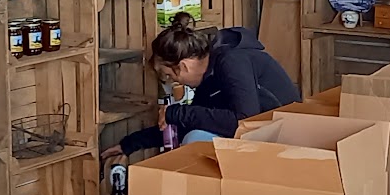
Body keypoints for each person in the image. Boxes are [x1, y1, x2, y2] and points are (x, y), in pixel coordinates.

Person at [104, 13, 302, 160]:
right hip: (263, 134)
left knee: (195, 140)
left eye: (170, 75)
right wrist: (130, 144)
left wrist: (176, 112)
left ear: (183, 66)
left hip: (288, 139)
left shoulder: (231, 61)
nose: (175, 82)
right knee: (196, 134)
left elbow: (244, 121)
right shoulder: (208, 81)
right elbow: (194, 121)